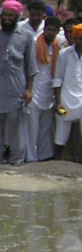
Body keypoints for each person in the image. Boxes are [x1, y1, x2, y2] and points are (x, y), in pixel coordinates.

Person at [0, 0, 37, 165]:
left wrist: (29, 89)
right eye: (4, 15)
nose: (6, 18)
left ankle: (16, 159)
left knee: (16, 127)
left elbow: (31, 66)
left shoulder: (27, 37)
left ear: (17, 16)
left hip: (16, 88)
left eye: (10, 16)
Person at [25, 16, 66, 162]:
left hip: (50, 91)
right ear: (44, 29)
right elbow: (29, 68)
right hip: (34, 89)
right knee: (32, 127)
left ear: (57, 31)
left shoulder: (58, 45)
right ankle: (30, 157)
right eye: (49, 30)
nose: (51, 33)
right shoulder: (35, 44)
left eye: (54, 30)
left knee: (46, 128)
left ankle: (44, 156)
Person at [53, 23, 82, 162]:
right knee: (60, 135)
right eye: (78, 38)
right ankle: (57, 163)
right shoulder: (64, 53)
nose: (80, 41)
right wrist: (58, 102)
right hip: (66, 98)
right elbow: (58, 79)